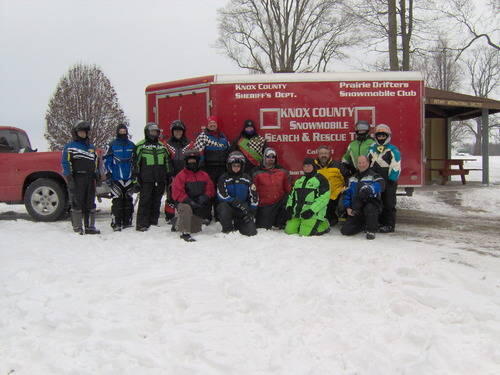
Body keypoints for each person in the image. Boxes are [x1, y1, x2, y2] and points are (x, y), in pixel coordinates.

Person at [61, 120, 100, 235]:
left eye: (85, 132)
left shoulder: (92, 148)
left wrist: (96, 173)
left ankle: (90, 227)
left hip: (90, 178)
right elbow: (65, 162)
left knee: (90, 203)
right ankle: (77, 227)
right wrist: (69, 177)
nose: (83, 134)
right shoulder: (70, 147)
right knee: (77, 202)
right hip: (77, 178)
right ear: (76, 132)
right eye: (81, 132)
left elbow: (96, 161)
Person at [133, 122, 172, 231]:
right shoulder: (140, 146)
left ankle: (153, 222)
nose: (154, 134)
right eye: (152, 131)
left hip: (159, 179)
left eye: (156, 132)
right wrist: (135, 180)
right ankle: (142, 224)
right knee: (145, 201)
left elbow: (167, 162)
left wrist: (169, 175)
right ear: (147, 132)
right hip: (146, 179)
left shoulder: (162, 146)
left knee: (156, 201)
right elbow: (135, 164)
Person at [171, 150, 215, 242]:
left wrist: (205, 197)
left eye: (194, 161)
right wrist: (189, 201)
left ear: (198, 161)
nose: (192, 163)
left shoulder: (204, 175)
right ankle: (184, 233)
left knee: (195, 229)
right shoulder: (181, 175)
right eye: (189, 161)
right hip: (184, 203)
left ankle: (177, 223)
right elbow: (177, 192)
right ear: (186, 162)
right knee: (186, 208)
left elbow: (210, 188)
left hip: (198, 204)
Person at [193, 115, 230, 220]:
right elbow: (198, 153)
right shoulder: (202, 136)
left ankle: (219, 215)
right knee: (208, 192)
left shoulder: (223, 137)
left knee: (220, 192)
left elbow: (228, 151)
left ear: (217, 125)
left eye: (214, 123)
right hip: (208, 168)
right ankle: (206, 216)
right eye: (210, 123)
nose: (212, 125)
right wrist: (200, 167)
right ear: (207, 125)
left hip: (222, 169)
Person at [341, 155, 385, 240]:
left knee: (370, 207)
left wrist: (370, 188)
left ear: (368, 163)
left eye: (363, 162)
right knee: (345, 231)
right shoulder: (352, 178)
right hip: (357, 208)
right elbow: (347, 194)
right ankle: (363, 224)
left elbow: (381, 185)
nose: (361, 165)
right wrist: (348, 207)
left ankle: (371, 229)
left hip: (371, 205)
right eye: (359, 163)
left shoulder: (374, 176)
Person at [368, 124, 401, 233]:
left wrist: (392, 179)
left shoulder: (393, 149)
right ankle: (378, 223)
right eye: (379, 136)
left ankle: (389, 225)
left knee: (389, 203)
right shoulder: (372, 149)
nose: (381, 138)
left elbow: (396, 164)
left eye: (383, 136)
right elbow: (367, 162)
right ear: (376, 137)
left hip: (388, 180)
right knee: (377, 201)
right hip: (375, 179)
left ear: (388, 136)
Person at [284, 158, 330, 236]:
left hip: (313, 213)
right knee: (289, 230)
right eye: (305, 166)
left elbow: (324, 198)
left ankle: (324, 224)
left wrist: (311, 211)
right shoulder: (299, 180)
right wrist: (289, 207)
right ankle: (303, 224)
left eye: (309, 166)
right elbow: (291, 196)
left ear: (313, 166)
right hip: (298, 213)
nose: (307, 168)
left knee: (305, 233)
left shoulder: (321, 179)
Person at [216, 151, 258, 236]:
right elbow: (221, 195)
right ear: (229, 165)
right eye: (234, 165)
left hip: (242, 208)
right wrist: (233, 201)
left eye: (238, 166)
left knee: (252, 232)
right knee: (222, 207)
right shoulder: (223, 178)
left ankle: (239, 224)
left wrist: (252, 211)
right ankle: (228, 229)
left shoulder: (247, 178)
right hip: (229, 207)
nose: (236, 168)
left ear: (242, 166)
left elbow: (254, 195)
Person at [103, 123, 135, 231]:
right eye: (120, 131)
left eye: (124, 131)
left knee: (128, 200)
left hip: (129, 177)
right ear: (117, 132)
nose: (122, 133)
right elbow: (106, 160)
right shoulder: (111, 144)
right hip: (116, 178)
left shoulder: (131, 145)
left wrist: (135, 174)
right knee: (117, 201)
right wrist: (108, 174)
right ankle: (116, 222)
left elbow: (136, 161)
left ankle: (127, 221)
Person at [252, 147, 291, 229]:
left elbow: (288, 189)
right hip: (265, 205)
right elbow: (252, 192)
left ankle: (280, 222)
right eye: (268, 156)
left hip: (279, 203)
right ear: (264, 157)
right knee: (263, 227)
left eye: (273, 157)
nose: (271, 159)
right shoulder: (256, 172)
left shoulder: (283, 171)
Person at [164, 120, 192, 222]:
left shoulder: (189, 144)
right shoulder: (167, 144)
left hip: (186, 174)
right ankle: (169, 216)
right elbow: (165, 159)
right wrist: (169, 172)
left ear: (183, 131)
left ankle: (186, 214)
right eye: (175, 131)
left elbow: (192, 158)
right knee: (171, 195)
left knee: (186, 194)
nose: (178, 133)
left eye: (180, 131)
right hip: (172, 174)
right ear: (172, 132)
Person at [313, 145, 349, 226]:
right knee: (330, 221)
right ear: (318, 155)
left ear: (329, 154)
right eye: (321, 153)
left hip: (337, 193)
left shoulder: (338, 165)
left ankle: (343, 218)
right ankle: (332, 218)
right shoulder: (313, 167)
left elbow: (347, 177)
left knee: (343, 203)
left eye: (325, 153)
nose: (323, 155)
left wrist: (345, 187)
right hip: (323, 196)